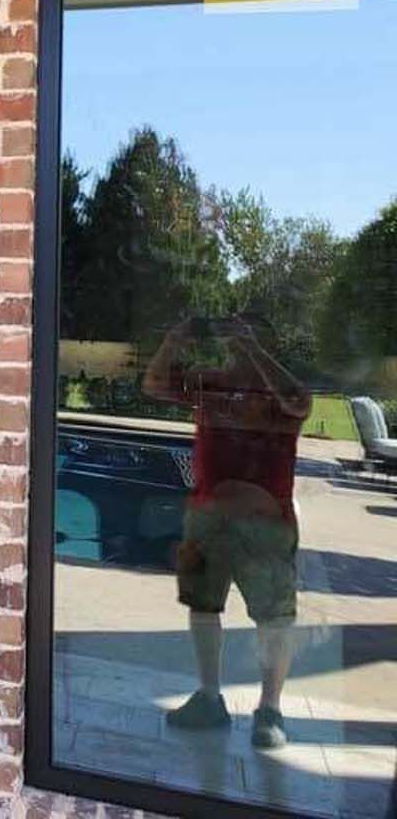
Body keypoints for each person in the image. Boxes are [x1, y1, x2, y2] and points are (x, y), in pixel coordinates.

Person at [142, 315, 312, 750]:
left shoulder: (279, 388)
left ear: (268, 340)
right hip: (208, 515)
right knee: (202, 604)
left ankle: (270, 709)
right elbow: (154, 385)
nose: (238, 340)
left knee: (273, 616)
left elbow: (300, 403)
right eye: (235, 334)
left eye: (250, 332)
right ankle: (208, 696)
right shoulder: (211, 382)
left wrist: (255, 351)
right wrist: (174, 337)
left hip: (266, 521)